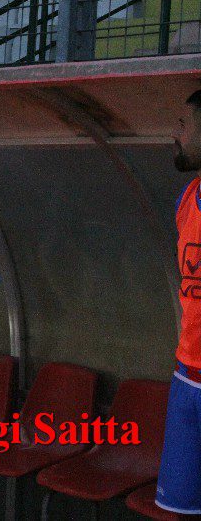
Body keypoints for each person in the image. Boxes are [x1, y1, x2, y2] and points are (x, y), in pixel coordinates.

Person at [158, 89, 201, 515]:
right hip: (188, 377)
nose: (176, 133)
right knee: (179, 512)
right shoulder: (187, 198)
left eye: (185, 124)